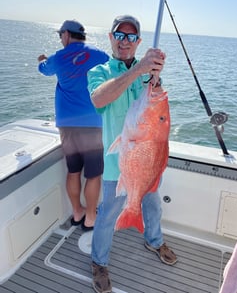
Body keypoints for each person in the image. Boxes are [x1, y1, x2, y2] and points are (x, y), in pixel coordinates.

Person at [87, 15, 177, 293]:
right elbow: (99, 98)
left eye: (131, 37)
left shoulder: (145, 72)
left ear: (138, 42)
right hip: (118, 163)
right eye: (120, 35)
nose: (125, 41)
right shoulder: (99, 71)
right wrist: (137, 71)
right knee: (107, 214)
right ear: (111, 37)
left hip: (147, 160)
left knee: (153, 205)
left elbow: (157, 107)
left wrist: (156, 78)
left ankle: (154, 239)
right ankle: (99, 262)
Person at [37, 20, 109, 231]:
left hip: (67, 126)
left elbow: (43, 69)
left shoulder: (58, 58)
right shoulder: (100, 55)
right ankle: (90, 218)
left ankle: (77, 212)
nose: (61, 39)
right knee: (94, 174)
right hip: (94, 125)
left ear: (67, 35)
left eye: (61, 35)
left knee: (74, 171)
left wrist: (42, 60)